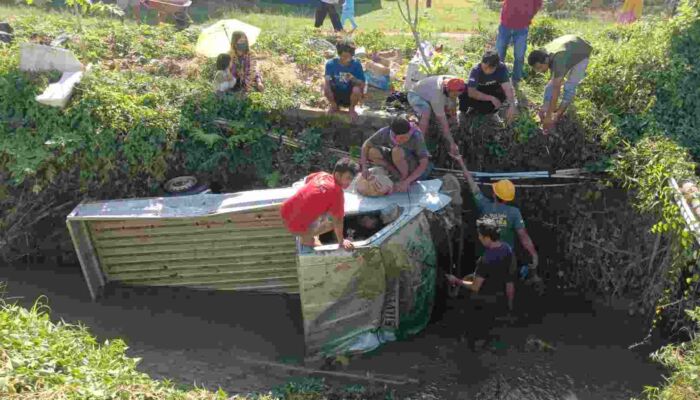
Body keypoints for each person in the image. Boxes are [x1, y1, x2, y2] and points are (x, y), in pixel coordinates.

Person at [451, 154, 540, 281]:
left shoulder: (484, 206)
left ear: (494, 194)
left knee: (482, 282)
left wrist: (460, 162)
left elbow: (471, 184)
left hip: (486, 257)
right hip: (507, 259)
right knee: (508, 283)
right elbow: (524, 237)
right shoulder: (514, 213)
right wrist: (534, 254)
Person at [445, 217, 517, 349]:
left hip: (482, 299)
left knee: (459, 304)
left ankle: (468, 341)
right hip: (499, 296)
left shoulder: (485, 260)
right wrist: (509, 306)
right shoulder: (507, 249)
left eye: (480, 236)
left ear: (488, 237)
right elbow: (509, 280)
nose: (479, 238)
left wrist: (456, 280)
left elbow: (475, 287)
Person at [280, 158, 358, 254]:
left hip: (285, 210)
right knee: (331, 223)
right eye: (348, 178)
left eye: (351, 179)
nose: (349, 182)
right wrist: (342, 241)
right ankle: (307, 244)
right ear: (338, 175)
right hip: (295, 226)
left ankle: (308, 232)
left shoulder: (322, 175)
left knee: (325, 211)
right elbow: (338, 222)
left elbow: (308, 179)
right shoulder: (337, 193)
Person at [527, 35, 593, 132]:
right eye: (536, 69)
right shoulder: (543, 53)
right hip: (569, 47)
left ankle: (558, 115)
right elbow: (552, 85)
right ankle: (546, 107)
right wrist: (545, 108)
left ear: (546, 61)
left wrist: (550, 116)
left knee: (570, 86)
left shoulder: (558, 60)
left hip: (582, 53)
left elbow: (556, 90)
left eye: (540, 68)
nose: (539, 71)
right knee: (551, 84)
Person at [360, 116, 431, 193]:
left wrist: (407, 181)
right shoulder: (386, 132)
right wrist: (364, 167)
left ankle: (404, 178)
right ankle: (394, 173)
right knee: (372, 152)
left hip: (410, 163)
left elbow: (424, 163)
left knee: (397, 151)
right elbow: (365, 145)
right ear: (393, 134)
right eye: (400, 138)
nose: (403, 140)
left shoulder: (417, 135)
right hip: (395, 160)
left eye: (405, 137)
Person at [407, 75, 466, 157]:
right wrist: (452, 143)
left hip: (429, 93)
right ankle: (420, 145)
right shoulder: (437, 97)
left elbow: (453, 101)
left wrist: (454, 118)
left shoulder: (454, 81)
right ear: (448, 90)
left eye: (458, 94)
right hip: (415, 95)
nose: (456, 96)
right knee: (426, 111)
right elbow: (444, 124)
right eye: (455, 94)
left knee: (451, 103)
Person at [460, 50, 518, 124]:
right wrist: (491, 98)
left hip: (492, 89)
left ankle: (491, 113)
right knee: (463, 90)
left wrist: (512, 105)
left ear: (496, 66)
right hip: (478, 91)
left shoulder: (501, 68)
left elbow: (507, 87)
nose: (486, 71)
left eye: (489, 69)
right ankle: (462, 112)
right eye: (484, 68)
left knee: (501, 94)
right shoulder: (476, 70)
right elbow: (471, 92)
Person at [495, 0, 542, 89]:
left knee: (519, 55)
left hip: (522, 27)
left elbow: (538, 4)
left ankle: (516, 81)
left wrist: (528, 16)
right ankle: (497, 79)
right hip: (506, 24)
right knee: (499, 53)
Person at [324, 39, 366, 121]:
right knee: (324, 85)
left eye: (349, 57)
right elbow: (327, 80)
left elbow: (362, 84)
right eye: (344, 56)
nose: (347, 59)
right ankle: (334, 106)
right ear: (339, 54)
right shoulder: (330, 64)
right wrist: (328, 90)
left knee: (357, 89)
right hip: (336, 94)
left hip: (349, 96)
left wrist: (353, 78)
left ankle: (351, 108)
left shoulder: (356, 64)